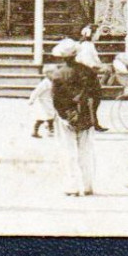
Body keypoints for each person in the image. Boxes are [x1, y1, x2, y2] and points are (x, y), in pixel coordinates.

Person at [49, 38, 100, 197]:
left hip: (66, 116)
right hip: (85, 113)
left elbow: (56, 99)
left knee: (68, 151)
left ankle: (71, 187)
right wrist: (92, 112)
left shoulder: (58, 75)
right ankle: (87, 185)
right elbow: (97, 94)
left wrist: (64, 116)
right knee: (86, 151)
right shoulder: (88, 71)